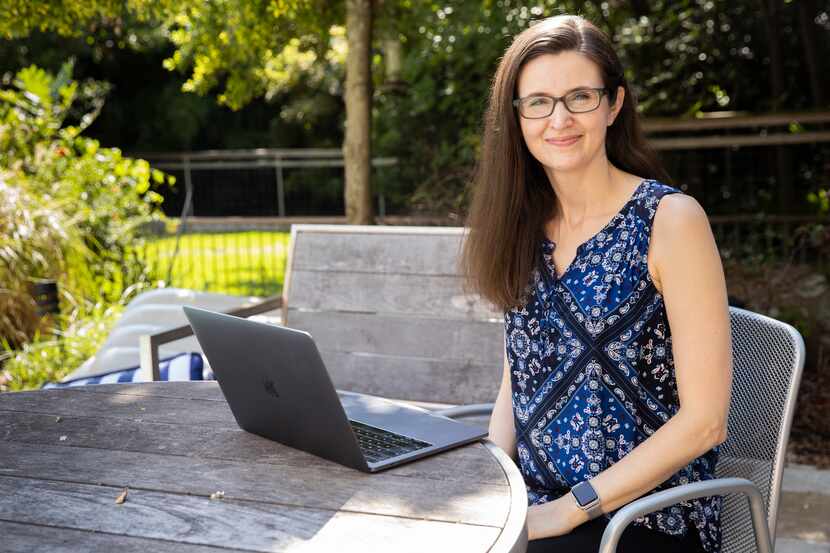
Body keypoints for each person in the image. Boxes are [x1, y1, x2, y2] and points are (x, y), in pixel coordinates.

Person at [461, 14, 733, 553]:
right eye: (538, 101)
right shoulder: (524, 225)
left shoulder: (670, 219)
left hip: (646, 517)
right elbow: (524, 370)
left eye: (580, 96)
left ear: (613, 105)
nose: (558, 118)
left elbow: (705, 423)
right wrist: (493, 482)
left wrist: (568, 510)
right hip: (536, 502)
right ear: (516, 118)